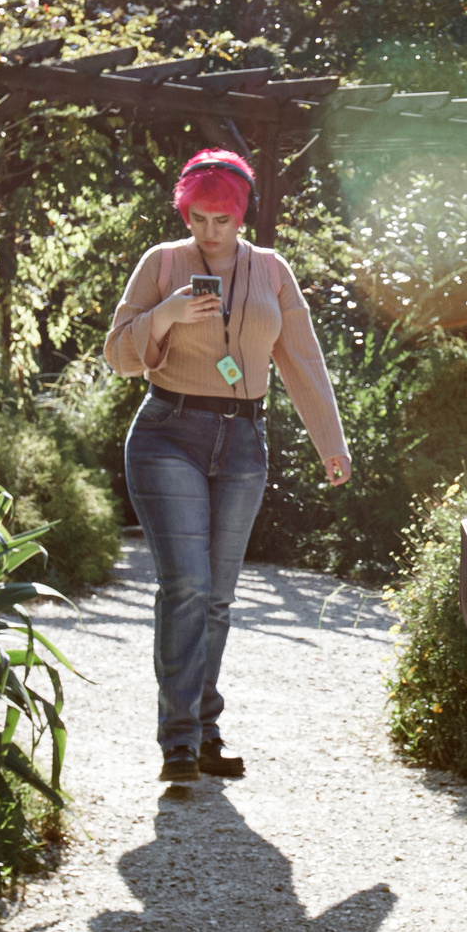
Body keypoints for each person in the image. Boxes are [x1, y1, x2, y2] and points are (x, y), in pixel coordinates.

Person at [105, 148, 349, 786]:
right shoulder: (162, 263)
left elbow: (302, 358)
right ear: (185, 213)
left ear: (243, 216)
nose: (209, 232)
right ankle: (180, 742)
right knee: (186, 586)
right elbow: (118, 354)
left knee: (216, 596)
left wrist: (331, 441)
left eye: (222, 219)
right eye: (198, 218)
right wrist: (165, 314)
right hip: (169, 434)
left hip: (243, 440)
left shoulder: (271, 270)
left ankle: (204, 730)